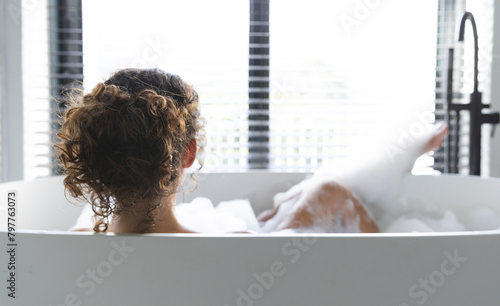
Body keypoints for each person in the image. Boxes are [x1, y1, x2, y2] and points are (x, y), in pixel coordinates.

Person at [56, 68, 447, 234]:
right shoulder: (234, 243)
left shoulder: (78, 235)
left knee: (294, 203)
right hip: (246, 237)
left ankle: (282, 210)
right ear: (188, 154)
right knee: (328, 192)